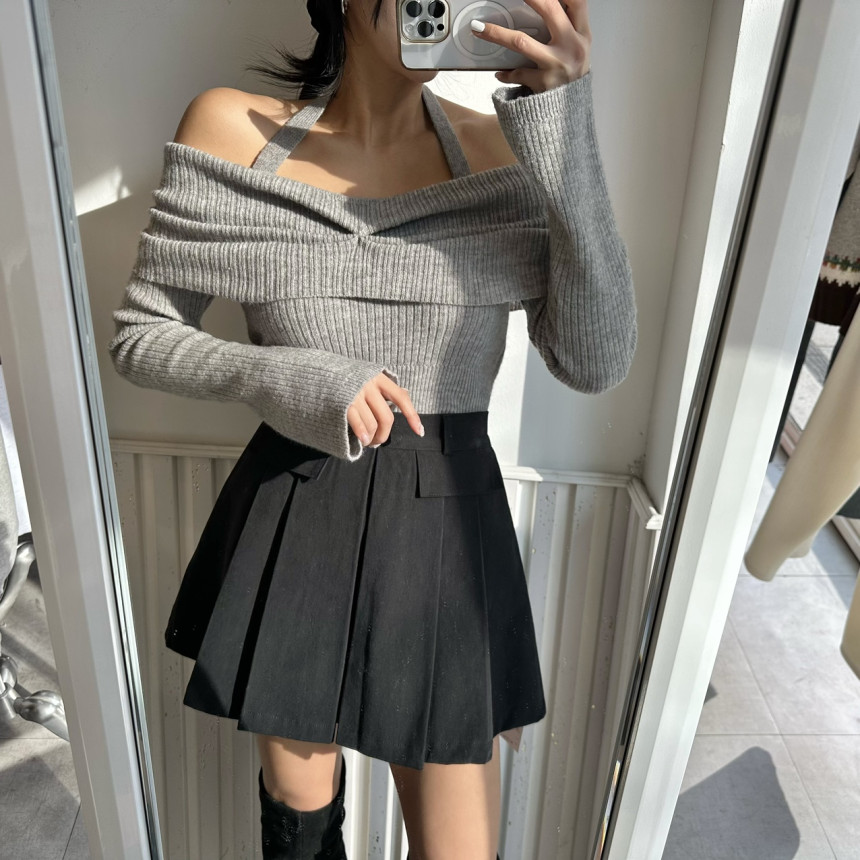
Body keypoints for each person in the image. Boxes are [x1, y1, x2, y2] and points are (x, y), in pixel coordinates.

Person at [107, 0, 637, 857]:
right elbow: (142, 335)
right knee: (301, 829)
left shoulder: (506, 149)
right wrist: (293, 376)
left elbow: (595, 359)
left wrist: (565, 116)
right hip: (297, 508)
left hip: (449, 524)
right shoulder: (233, 129)